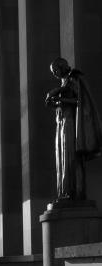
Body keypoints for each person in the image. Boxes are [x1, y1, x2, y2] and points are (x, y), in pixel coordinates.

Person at [46, 57, 102, 200]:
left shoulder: (74, 78)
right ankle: (65, 191)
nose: (55, 74)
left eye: (55, 70)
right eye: (53, 72)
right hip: (62, 123)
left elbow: (80, 101)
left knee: (72, 157)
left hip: (71, 123)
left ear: (62, 66)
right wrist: (55, 102)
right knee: (62, 159)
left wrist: (60, 97)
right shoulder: (64, 82)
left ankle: (76, 192)